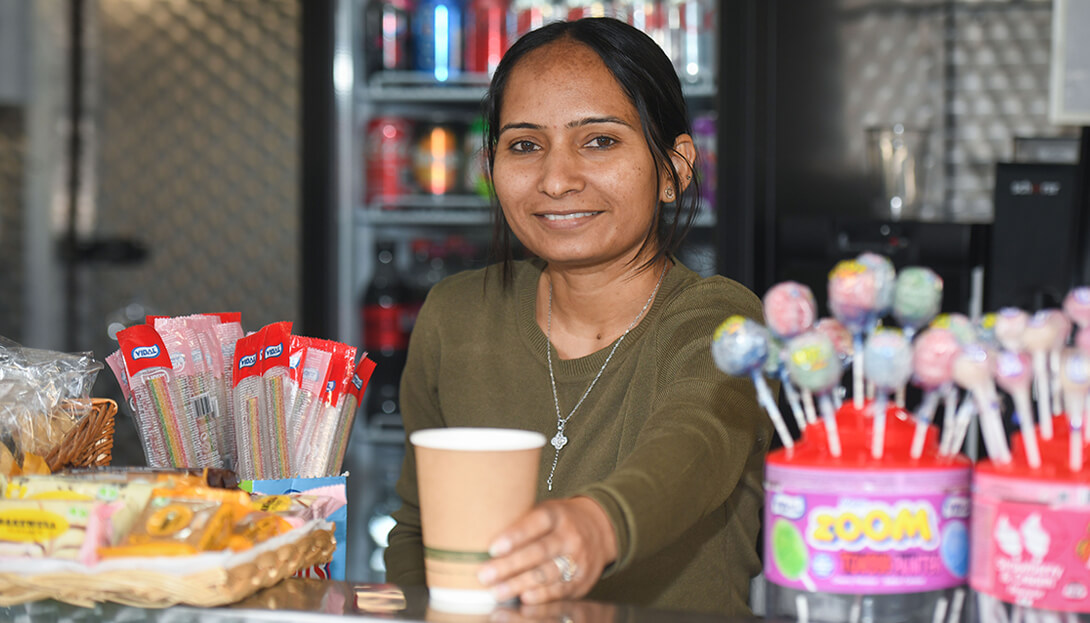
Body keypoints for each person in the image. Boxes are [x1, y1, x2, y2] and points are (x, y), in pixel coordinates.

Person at [384, 17, 772, 616]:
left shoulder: (722, 323)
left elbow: (696, 443)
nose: (557, 180)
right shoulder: (456, 315)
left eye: (599, 141)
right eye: (524, 145)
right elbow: (416, 528)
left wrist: (596, 527)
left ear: (675, 168)